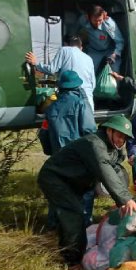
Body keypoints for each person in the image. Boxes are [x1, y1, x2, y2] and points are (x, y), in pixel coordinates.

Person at [37, 115, 136, 269]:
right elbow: (105, 170)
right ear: (109, 131)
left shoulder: (113, 148)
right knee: (74, 214)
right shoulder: (94, 144)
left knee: (72, 213)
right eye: (119, 135)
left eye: (125, 138)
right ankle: (72, 261)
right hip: (55, 178)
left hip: (73, 181)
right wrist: (125, 199)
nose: (121, 141)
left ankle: (64, 244)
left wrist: (122, 201)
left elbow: (117, 170)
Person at [40, 69, 97, 228]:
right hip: (79, 157)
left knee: (59, 191)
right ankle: (84, 224)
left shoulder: (51, 109)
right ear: (77, 86)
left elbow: (44, 134)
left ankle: (54, 225)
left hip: (58, 158)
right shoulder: (81, 104)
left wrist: (50, 151)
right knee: (85, 190)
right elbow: (89, 130)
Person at [25, 36, 97, 111]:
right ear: (81, 47)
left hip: (71, 102)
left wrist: (36, 63)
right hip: (88, 102)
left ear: (66, 45)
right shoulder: (89, 59)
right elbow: (93, 84)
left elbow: (52, 70)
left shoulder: (64, 50)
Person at [77, 4, 125, 73]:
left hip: (110, 50)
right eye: (94, 20)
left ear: (104, 16)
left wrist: (115, 54)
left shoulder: (109, 24)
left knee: (115, 71)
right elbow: (74, 31)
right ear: (88, 17)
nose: (97, 23)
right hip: (93, 50)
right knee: (88, 71)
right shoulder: (83, 20)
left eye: (100, 20)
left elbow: (119, 41)